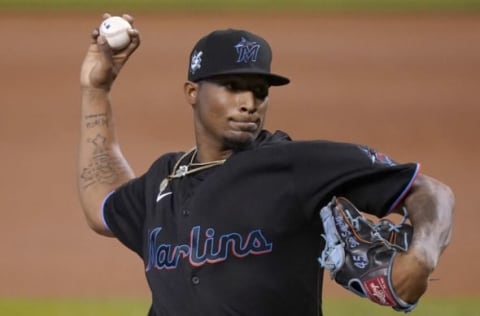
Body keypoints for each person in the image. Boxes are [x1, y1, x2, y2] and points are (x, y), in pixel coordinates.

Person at [78, 13, 455, 316]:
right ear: (192, 92)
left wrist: (421, 256)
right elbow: (103, 205)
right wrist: (96, 91)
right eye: (232, 86)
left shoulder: (293, 164)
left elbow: (429, 191)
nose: (249, 101)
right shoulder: (165, 178)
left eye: (259, 90)